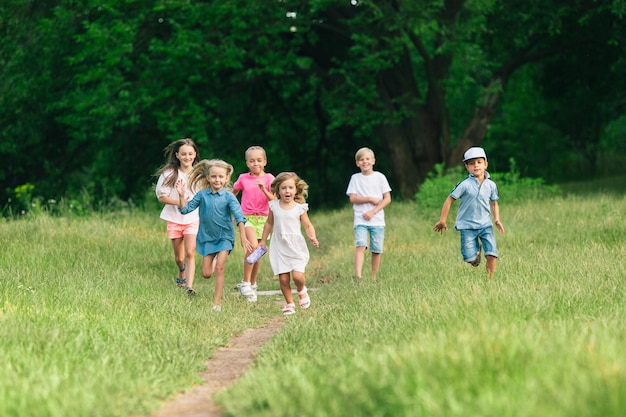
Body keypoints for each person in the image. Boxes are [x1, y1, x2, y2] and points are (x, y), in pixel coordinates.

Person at [176, 159, 252, 311]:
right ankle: (216, 258)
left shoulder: (229, 197)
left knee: (220, 268)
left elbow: (239, 217)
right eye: (214, 177)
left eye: (220, 177)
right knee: (206, 274)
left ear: (226, 178)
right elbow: (185, 210)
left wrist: (243, 237)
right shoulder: (202, 195)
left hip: (224, 237)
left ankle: (216, 304)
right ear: (208, 178)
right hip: (207, 238)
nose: (217, 180)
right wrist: (181, 196)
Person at [433, 146, 505, 277]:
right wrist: (442, 220)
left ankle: (490, 279)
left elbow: (494, 203)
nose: (476, 166)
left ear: (485, 164)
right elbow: (449, 200)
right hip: (467, 226)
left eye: (479, 162)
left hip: (485, 225)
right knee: (470, 258)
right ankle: (475, 256)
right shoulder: (464, 184)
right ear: (467, 167)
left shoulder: (491, 185)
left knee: (492, 253)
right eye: (471, 163)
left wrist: (497, 219)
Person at [260, 172, 319, 315]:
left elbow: (308, 225)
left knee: (298, 276)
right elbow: (269, 223)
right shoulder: (273, 205)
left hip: (295, 245)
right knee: (283, 277)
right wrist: (262, 240)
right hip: (279, 245)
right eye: (284, 188)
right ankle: (289, 303)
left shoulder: (300, 208)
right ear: (278, 190)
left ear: (296, 190)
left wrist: (312, 236)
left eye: (290, 188)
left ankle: (301, 290)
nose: (287, 191)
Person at [154, 138, 200, 290]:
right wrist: (179, 202)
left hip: (193, 218)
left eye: (190, 154)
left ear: (195, 155)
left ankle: (189, 286)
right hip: (174, 218)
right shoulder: (169, 174)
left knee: (189, 252)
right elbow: (162, 197)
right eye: (184, 154)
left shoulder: (199, 174)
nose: (187, 157)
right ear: (177, 155)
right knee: (179, 258)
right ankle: (181, 270)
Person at [233, 146, 276, 302]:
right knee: (252, 247)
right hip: (247, 218)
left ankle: (252, 284)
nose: (255, 163)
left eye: (259, 160)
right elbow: (233, 194)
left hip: (264, 219)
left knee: (258, 255)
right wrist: (234, 212)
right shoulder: (243, 178)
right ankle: (245, 282)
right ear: (247, 163)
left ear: (264, 161)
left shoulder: (270, 178)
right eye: (252, 161)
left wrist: (263, 189)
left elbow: (274, 200)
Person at [346, 147, 392, 282]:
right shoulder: (355, 178)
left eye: (367, 159)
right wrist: (370, 199)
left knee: (376, 249)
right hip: (360, 219)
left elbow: (387, 199)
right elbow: (352, 198)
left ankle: (373, 277)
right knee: (360, 245)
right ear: (357, 163)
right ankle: (358, 276)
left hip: (377, 220)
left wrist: (373, 211)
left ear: (373, 161)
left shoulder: (380, 177)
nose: (364, 162)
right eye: (361, 160)